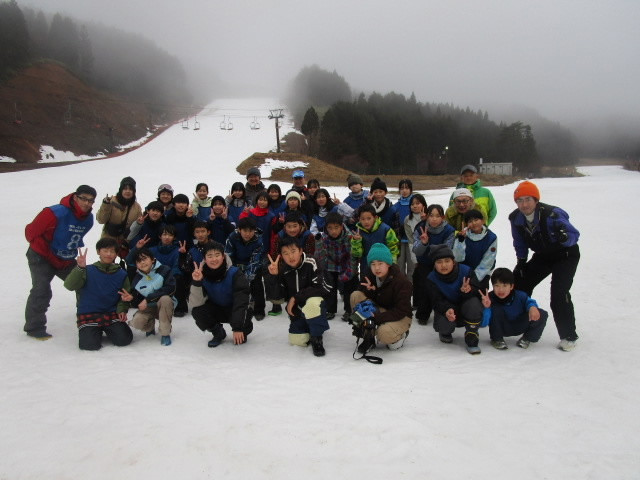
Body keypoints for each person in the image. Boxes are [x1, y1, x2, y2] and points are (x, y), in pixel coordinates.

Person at [509, 181, 580, 352]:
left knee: (559, 293)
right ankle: (522, 325)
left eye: (528, 199)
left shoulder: (551, 214)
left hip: (565, 254)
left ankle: (569, 336)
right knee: (520, 283)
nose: (524, 205)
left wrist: (565, 237)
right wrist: (521, 262)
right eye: (519, 200)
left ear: (536, 199)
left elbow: (573, 233)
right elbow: (519, 242)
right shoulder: (516, 218)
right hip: (543, 255)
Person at [24, 185, 97, 340]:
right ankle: (34, 327)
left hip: (64, 258)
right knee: (41, 289)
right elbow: (30, 232)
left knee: (84, 282)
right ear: (75, 197)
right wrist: (44, 250)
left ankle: (86, 316)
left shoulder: (88, 219)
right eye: (83, 199)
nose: (86, 203)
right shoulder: (53, 212)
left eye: (90, 201)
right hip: (41, 256)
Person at [264, 237, 331, 357]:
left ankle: (317, 337)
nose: (290, 256)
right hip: (297, 311)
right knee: (297, 340)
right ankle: (310, 325)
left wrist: (295, 298)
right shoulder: (283, 270)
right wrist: (274, 277)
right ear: (281, 256)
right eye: (286, 253)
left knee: (312, 304)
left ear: (300, 251)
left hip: (315, 304)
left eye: (293, 251)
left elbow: (323, 287)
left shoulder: (312, 262)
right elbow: (278, 297)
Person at [64, 237, 133, 350]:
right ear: (98, 251)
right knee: (89, 345)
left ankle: (106, 330)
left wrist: (122, 308)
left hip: (111, 313)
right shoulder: (87, 270)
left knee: (124, 339)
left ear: (116, 254)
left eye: (112, 251)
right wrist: (80, 268)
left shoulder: (121, 274)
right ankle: (93, 332)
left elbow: (124, 296)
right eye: (105, 250)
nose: (109, 254)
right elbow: (69, 286)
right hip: (89, 313)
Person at [350, 243, 413, 353]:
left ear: (388, 264)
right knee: (356, 295)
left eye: (380, 263)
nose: (377, 268)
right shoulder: (369, 275)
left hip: (400, 316)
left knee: (384, 334)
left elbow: (401, 310)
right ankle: (368, 337)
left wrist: (376, 318)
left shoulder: (401, 281)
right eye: (373, 264)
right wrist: (370, 291)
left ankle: (401, 334)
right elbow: (365, 299)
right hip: (381, 309)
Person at [190, 241, 254, 347]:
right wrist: (197, 282)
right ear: (205, 259)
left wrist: (238, 328)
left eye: (217, 255)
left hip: (236, 309)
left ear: (223, 257)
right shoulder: (201, 274)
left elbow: (242, 301)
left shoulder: (235, 273)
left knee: (244, 316)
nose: (214, 259)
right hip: (217, 308)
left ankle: (243, 330)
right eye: (210, 256)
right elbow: (196, 303)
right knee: (198, 311)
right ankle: (218, 332)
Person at [425, 244, 483, 354]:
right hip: (449, 311)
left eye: (447, 261)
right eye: (439, 262)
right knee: (443, 325)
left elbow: (478, 291)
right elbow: (436, 301)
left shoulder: (466, 271)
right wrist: (446, 309)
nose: (443, 265)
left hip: (466, 308)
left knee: (474, 303)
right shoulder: (431, 279)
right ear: (434, 264)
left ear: (453, 261)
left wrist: (469, 290)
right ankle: (445, 332)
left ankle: (472, 334)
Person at [480, 268, 548, 350]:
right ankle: (497, 339)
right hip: (501, 327)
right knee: (496, 309)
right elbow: (483, 324)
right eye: (497, 286)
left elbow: (529, 302)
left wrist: (532, 307)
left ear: (511, 286)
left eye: (504, 285)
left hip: (519, 324)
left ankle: (527, 338)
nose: (501, 290)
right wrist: (486, 308)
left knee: (542, 313)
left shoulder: (520, 295)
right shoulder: (489, 299)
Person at [412, 204, 456, 325]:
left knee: (440, 288)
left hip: (442, 264)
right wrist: (424, 243)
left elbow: (447, 249)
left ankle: (443, 313)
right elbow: (416, 250)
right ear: (427, 216)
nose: (434, 219)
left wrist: (430, 249)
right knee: (425, 287)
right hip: (425, 263)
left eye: (437, 216)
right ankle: (422, 314)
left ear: (443, 217)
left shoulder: (449, 230)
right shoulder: (420, 228)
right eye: (431, 216)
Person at [125, 248, 177, 346]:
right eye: (139, 261)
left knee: (165, 299)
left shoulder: (164, 269)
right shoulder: (137, 279)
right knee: (137, 322)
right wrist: (132, 298)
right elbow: (138, 302)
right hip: (149, 308)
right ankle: (149, 327)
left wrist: (148, 299)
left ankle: (165, 333)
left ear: (152, 259)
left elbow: (170, 288)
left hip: (165, 306)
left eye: (144, 259)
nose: (142, 263)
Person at [314, 212, 356, 320]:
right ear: (326, 228)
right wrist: (318, 243)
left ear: (341, 226)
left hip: (346, 264)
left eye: (336, 227)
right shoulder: (323, 238)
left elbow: (352, 257)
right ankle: (330, 310)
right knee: (330, 287)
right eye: (330, 228)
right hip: (331, 265)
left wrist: (349, 273)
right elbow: (320, 258)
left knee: (348, 288)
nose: (333, 231)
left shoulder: (349, 237)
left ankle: (349, 310)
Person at [225, 217, 266, 320]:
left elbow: (255, 260)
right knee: (233, 284)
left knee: (257, 284)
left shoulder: (258, 241)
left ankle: (259, 310)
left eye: (250, 231)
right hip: (236, 264)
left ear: (254, 230)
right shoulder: (232, 237)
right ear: (239, 230)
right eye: (245, 231)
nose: (248, 234)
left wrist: (248, 276)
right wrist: (234, 272)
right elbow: (229, 255)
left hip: (253, 264)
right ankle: (233, 307)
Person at [96, 176, 142, 260]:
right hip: (108, 239)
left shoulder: (137, 207)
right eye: (125, 188)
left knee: (129, 261)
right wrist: (105, 205)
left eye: (130, 189)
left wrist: (139, 223)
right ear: (121, 190)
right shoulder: (111, 201)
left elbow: (136, 228)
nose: (127, 191)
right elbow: (101, 220)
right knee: (107, 263)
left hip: (124, 241)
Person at [452, 209, 497, 290]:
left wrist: (474, 279)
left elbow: (488, 261)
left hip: (482, 273)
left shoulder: (491, 238)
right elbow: (457, 258)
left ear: (483, 221)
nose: (474, 223)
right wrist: (460, 241)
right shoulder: (462, 235)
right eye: (470, 221)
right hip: (464, 271)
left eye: (476, 220)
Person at [351, 204, 399, 276]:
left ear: (375, 217)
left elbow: (393, 250)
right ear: (359, 219)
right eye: (363, 219)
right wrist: (356, 241)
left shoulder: (386, 230)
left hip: (383, 269)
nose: (366, 222)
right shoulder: (358, 232)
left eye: (369, 218)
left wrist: (392, 266)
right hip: (366, 268)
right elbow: (357, 254)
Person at [393, 179, 415, 279]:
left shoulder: (415, 205)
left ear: (411, 189)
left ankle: (411, 286)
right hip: (399, 241)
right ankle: (401, 286)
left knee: (412, 267)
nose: (404, 190)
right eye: (402, 188)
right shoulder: (395, 206)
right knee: (399, 267)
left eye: (407, 188)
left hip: (412, 241)